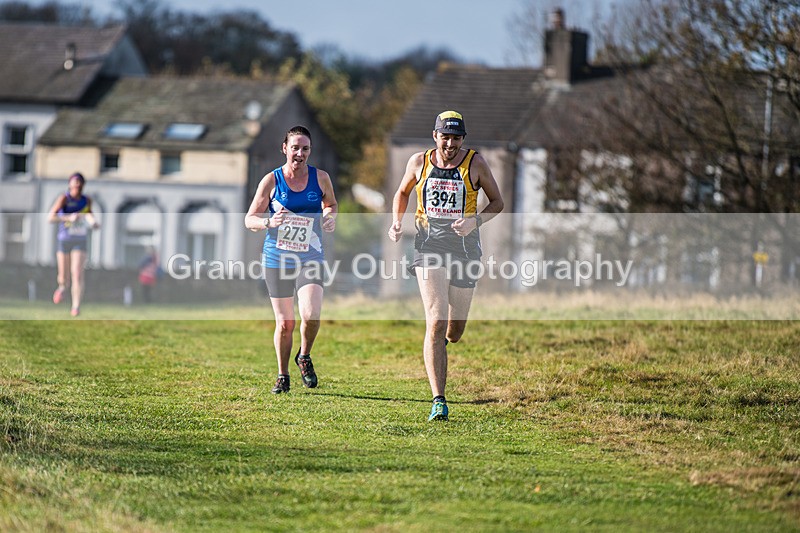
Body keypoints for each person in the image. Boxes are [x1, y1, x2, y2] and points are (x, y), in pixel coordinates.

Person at [388, 111, 504, 421]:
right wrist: (396, 222)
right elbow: (402, 192)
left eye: (455, 138)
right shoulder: (419, 162)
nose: (450, 144)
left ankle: (442, 346)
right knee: (436, 322)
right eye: (445, 137)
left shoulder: (476, 164)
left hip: (465, 249)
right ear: (435, 136)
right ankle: (438, 400)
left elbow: (498, 202)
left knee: (454, 331)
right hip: (429, 247)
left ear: (462, 138)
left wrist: (474, 221)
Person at [245, 126, 338, 394]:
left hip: (310, 255)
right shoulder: (271, 180)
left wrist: (329, 217)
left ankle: (304, 356)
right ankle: (282, 375)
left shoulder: (320, 178)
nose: (300, 153)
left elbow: (331, 204)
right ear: (284, 148)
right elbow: (250, 219)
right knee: (286, 323)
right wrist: (269, 222)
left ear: (310, 151)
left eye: (305, 149)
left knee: (311, 314)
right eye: (295, 147)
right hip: (277, 257)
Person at [47, 172, 100, 317]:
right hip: (64, 239)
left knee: (77, 273)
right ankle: (62, 288)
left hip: (80, 239)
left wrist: (94, 223)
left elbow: (89, 214)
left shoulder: (86, 200)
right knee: (63, 277)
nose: (77, 184)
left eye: (79, 182)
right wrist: (68, 218)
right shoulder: (64, 198)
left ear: (82, 185)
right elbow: (50, 218)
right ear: (70, 184)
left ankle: (76, 306)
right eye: (74, 181)